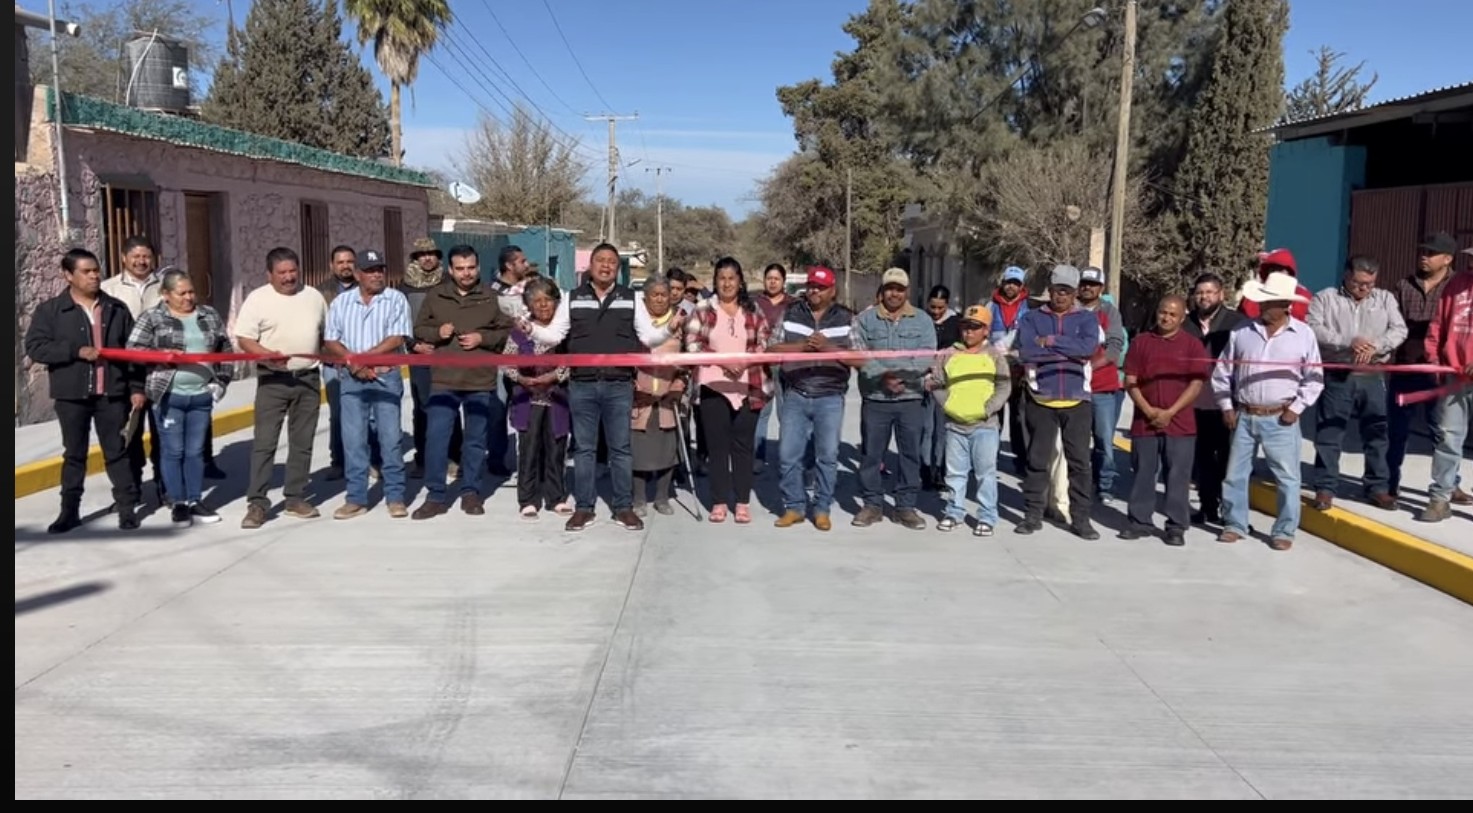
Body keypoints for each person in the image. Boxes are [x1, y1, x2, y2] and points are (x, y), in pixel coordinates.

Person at [520, 242, 677, 532]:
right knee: (584, 450)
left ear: (618, 269)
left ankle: (623, 507)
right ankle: (583, 508)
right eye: (601, 260)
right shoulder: (572, 298)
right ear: (591, 266)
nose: (606, 266)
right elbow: (555, 334)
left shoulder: (631, 298)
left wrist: (670, 328)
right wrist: (532, 330)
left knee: (620, 449)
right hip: (583, 385)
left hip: (619, 385)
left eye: (612, 262)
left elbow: (651, 338)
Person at [24, 248, 146, 533]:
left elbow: (133, 352)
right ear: (68, 275)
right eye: (86, 271)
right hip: (72, 395)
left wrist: (136, 388)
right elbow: (36, 347)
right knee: (74, 454)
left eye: (96, 270)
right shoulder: (51, 311)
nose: (94, 276)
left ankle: (127, 509)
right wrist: (75, 351)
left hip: (111, 394)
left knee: (117, 451)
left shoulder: (116, 308)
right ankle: (69, 512)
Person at [1211, 272, 1325, 551]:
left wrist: (1296, 409)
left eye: (1268, 302)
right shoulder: (1241, 332)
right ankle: (1234, 523)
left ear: (1286, 303)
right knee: (1235, 474)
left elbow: (1314, 378)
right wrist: (1226, 405)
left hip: (1281, 417)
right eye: (1261, 302)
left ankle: (1284, 530)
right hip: (1245, 414)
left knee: (1286, 477)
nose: (1261, 307)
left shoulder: (1304, 335)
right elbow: (1222, 372)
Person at [409, 244, 513, 520]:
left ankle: (471, 492)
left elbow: (505, 333)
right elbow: (419, 329)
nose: (466, 273)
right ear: (451, 270)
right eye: (460, 268)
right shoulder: (436, 295)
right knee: (436, 439)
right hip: (444, 380)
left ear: (478, 267)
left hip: (480, 380)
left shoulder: (492, 297)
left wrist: (483, 338)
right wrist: (437, 332)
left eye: (471, 268)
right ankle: (435, 496)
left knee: (475, 441)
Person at [126, 267, 234, 526]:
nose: (188, 297)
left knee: (196, 452)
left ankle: (196, 500)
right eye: (181, 293)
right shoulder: (152, 318)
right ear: (165, 295)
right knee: (173, 451)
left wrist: (221, 382)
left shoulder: (208, 315)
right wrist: (161, 353)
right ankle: (178, 502)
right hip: (169, 395)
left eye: (191, 292)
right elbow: (133, 350)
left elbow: (225, 349)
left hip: (201, 396)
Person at [236, 247, 329, 529]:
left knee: (302, 443)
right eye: (282, 273)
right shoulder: (257, 299)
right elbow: (244, 338)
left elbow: (325, 334)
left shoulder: (313, 297)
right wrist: (266, 354)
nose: (289, 278)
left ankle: (295, 497)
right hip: (272, 381)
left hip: (307, 380)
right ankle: (257, 503)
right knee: (265, 444)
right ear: (269, 275)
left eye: (292, 271)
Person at [1305, 256, 1407, 510]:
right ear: (1346, 276)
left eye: (1369, 284)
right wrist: (1348, 340)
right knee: (1330, 433)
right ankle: (1326, 487)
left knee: (1377, 433)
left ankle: (1378, 487)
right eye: (1359, 282)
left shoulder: (1385, 299)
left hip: (1372, 374)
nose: (1364, 288)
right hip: (1339, 375)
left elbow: (1399, 329)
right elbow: (1312, 327)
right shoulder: (1325, 298)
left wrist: (1376, 346)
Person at [1014, 265, 1103, 540]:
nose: (1061, 296)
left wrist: (1051, 341)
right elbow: (1028, 352)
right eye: (1056, 290)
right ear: (1049, 290)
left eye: (1066, 291)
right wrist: (1068, 351)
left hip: (1077, 401)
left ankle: (1081, 519)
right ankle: (1032, 515)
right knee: (1037, 461)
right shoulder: (1030, 319)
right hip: (1041, 399)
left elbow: (1088, 349)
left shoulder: (1087, 320)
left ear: (1075, 292)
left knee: (1079, 464)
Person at [323, 249, 412, 520]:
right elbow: (331, 340)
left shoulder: (395, 299)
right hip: (352, 380)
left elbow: (397, 338)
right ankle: (356, 498)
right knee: (353, 441)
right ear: (358, 274)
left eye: (380, 269)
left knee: (390, 439)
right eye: (370, 270)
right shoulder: (341, 302)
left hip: (385, 377)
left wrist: (366, 359)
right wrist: (353, 362)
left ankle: (395, 496)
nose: (376, 275)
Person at [683, 257, 773, 524]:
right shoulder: (702, 308)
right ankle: (719, 501)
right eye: (721, 278)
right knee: (718, 447)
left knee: (743, 447)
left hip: (748, 385)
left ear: (740, 281)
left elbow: (765, 340)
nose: (726, 283)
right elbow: (692, 343)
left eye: (732, 278)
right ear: (715, 281)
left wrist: (743, 361)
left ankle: (742, 502)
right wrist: (723, 360)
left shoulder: (753, 309)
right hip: (713, 386)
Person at [769, 266, 855, 531]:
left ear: (833, 290)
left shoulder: (846, 318)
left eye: (820, 287)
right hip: (795, 393)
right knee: (788, 455)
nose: (814, 291)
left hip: (830, 396)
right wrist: (803, 347)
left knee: (827, 456)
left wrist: (828, 348)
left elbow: (861, 357)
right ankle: (794, 507)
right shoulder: (791, 313)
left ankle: (821, 509)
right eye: (811, 286)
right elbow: (771, 348)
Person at [850, 267, 935, 530]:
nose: (894, 293)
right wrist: (882, 376)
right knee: (871, 454)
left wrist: (902, 377)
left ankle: (905, 506)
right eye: (890, 288)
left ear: (906, 291)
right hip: (876, 398)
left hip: (910, 398)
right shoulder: (865, 320)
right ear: (882, 290)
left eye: (899, 289)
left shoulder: (922, 320)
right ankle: (872, 505)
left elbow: (927, 354)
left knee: (910, 454)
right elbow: (858, 353)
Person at [1121, 295, 1209, 546]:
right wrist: (1148, 410)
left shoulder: (1193, 346)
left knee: (1177, 476)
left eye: (1173, 314)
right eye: (1163, 312)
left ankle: (1176, 526)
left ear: (1182, 318)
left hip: (1180, 423)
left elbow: (1196, 383)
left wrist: (1171, 411)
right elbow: (1130, 380)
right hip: (1144, 421)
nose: (1166, 318)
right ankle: (1140, 522)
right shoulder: (1141, 342)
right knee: (1143, 472)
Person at [927, 305, 1011, 536]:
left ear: (986, 330)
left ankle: (987, 516)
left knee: (985, 473)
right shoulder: (948, 354)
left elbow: (1004, 385)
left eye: (975, 328)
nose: (969, 332)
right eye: (965, 327)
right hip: (955, 426)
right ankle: (954, 512)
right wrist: (947, 405)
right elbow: (936, 382)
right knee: (955, 473)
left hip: (985, 427)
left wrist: (989, 408)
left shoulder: (994, 355)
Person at [504, 278, 574, 519]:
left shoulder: (563, 332)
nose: (543, 305)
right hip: (528, 398)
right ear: (528, 305)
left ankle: (556, 497)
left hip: (556, 398)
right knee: (529, 448)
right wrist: (521, 379)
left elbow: (571, 362)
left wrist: (554, 376)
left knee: (556, 449)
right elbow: (507, 361)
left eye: (548, 300)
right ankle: (528, 499)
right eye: (537, 301)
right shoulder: (520, 331)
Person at [1182, 272, 1246, 526]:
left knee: (1230, 460)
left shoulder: (1238, 323)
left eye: (1209, 292)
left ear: (1221, 294)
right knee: (1203, 459)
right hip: (1195, 404)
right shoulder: (1185, 324)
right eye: (1200, 292)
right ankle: (1207, 507)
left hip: (1228, 404)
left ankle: (1230, 512)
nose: (1204, 297)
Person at [1418, 243, 1473, 523]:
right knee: (1448, 437)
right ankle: (1440, 497)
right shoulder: (1456, 284)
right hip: (1455, 375)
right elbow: (1438, 325)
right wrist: (1434, 358)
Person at [403, 236, 462, 481]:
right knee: (423, 408)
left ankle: (454, 457)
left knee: (449, 405)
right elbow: (400, 321)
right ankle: (423, 459)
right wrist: (414, 344)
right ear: (415, 258)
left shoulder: (449, 283)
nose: (427, 258)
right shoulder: (404, 287)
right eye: (422, 254)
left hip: (446, 352)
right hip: (418, 356)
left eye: (431, 253)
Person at [631, 274, 687, 516]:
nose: (660, 299)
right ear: (645, 297)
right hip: (640, 396)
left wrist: (678, 387)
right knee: (639, 451)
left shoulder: (680, 322)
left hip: (668, 396)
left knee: (667, 449)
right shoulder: (635, 321)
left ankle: (663, 497)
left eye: (664, 294)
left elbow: (689, 360)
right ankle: (639, 499)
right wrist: (631, 386)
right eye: (654, 294)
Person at [987, 266, 1031, 476]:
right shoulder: (990, 306)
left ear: (1022, 286)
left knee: (1020, 417)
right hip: (995, 369)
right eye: (1008, 282)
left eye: (1016, 283)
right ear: (1002, 283)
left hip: (1021, 370)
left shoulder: (1029, 307)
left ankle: (1022, 460)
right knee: (994, 414)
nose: (1011, 286)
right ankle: (989, 458)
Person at [921, 284, 962, 491]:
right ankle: (925, 470)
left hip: (946, 383)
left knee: (942, 430)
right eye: (933, 307)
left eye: (940, 308)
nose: (936, 312)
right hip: (923, 381)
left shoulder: (957, 323)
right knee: (926, 428)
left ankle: (940, 471)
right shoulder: (921, 320)